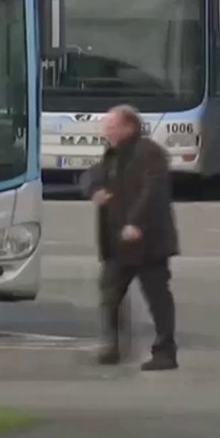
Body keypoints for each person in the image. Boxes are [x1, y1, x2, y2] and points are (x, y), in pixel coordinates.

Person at [77, 105, 179, 371]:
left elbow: (153, 191)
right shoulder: (112, 154)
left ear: (128, 127)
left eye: (111, 126)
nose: (105, 131)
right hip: (117, 244)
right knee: (110, 294)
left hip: (148, 243)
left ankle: (165, 352)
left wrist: (135, 222)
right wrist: (93, 189)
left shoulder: (150, 153)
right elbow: (91, 175)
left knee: (157, 297)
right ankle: (111, 346)